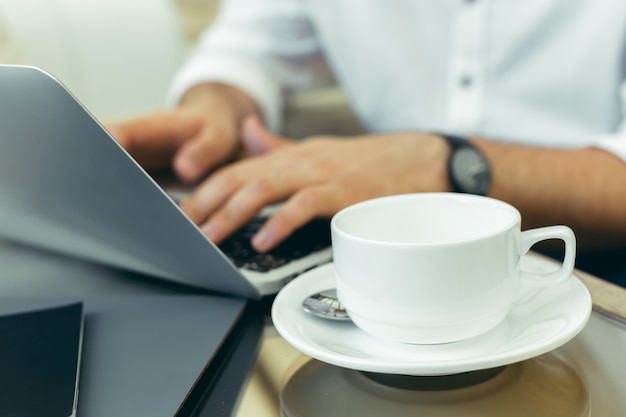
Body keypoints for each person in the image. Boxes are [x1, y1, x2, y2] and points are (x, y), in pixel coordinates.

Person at [107, 1, 626, 274]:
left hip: (593, 264)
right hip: (382, 244)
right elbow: (249, 47)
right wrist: (213, 109)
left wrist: (440, 164)